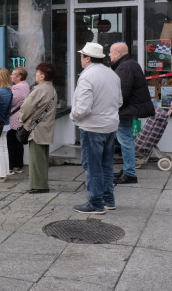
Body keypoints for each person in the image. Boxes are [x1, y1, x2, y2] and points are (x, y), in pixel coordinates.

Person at [70, 42, 122, 214]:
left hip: (92, 127)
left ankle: (96, 202)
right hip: (110, 125)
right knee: (106, 165)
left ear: (87, 58)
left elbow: (83, 108)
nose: (80, 59)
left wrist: (73, 116)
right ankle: (108, 200)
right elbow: (119, 101)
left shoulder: (87, 76)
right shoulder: (112, 74)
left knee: (93, 166)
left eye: (81, 56)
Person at [109, 42, 155, 184]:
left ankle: (130, 173)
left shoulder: (126, 67)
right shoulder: (129, 64)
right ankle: (128, 170)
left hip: (126, 110)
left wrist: (112, 106)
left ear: (118, 53)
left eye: (111, 52)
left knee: (125, 141)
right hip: (129, 109)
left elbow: (122, 92)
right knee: (126, 140)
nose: (109, 55)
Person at [20, 63, 57, 193]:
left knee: (36, 159)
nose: (35, 75)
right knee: (42, 158)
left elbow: (26, 108)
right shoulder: (51, 88)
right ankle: (41, 184)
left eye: (37, 73)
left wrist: (21, 119)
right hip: (45, 128)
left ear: (42, 75)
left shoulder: (39, 89)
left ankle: (39, 186)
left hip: (36, 129)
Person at [8, 67, 30, 175]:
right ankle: (19, 166)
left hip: (14, 120)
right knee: (18, 144)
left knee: (11, 143)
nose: (11, 76)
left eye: (13, 74)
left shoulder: (17, 88)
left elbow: (10, 102)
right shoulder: (26, 85)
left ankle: (11, 167)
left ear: (19, 76)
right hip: (21, 118)